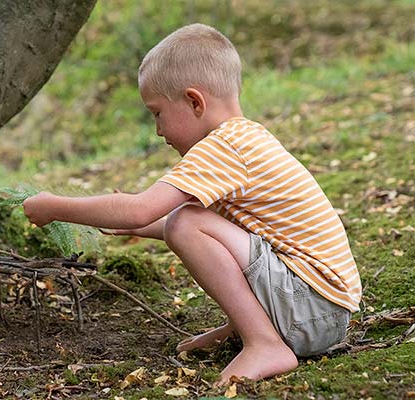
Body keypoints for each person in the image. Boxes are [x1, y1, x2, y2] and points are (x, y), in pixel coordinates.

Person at [22, 23, 361, 384]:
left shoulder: (223, 147)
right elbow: (217, 229)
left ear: (194, 101)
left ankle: (264, 342)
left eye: (157, 113)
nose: (158, 130)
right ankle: (248, 327)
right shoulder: (245, 138)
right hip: (320, 309)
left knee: (186, 222)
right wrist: (134, 225)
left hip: (311, 309)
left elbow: (146, 210)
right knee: (189, 219)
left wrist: (54, 206)